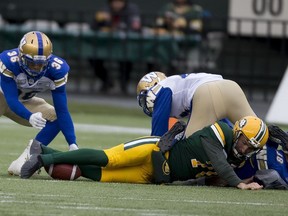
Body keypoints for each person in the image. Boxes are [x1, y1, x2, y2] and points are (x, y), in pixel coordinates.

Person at [21, 116, 269, 190]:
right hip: (155, 150)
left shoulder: (236, 157)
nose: (245, 148)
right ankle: (44, 159)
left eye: (251, 147)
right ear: (237, 132)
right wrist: (239, 183)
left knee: (100, 176)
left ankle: (41, 149)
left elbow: (210, 175)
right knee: (108, 158)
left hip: (153, 175)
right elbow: (217, 159)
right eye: (245, 142)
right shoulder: (222, 131)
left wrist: (229, 181)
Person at [0, 31, 78, 176]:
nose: (36, 68)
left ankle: (28, 156)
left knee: (55, 116)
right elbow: (10, 99)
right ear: (21, 57)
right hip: (3, 99)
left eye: (41, 64)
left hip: (24, 102)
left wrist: (72, 142)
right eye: (32, 63)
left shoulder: (57, 70)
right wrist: (29, 116)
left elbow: (62, 111)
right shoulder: (9, 61)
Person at [136, 71, 256, 137]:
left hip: (205, 92)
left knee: (190, 147)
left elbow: (158, 136)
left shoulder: (162, 89)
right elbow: (218, 114)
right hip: (230, 86)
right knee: (257, 132)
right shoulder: (177, 84)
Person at [89, 0, 141, 93]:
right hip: (106, 44)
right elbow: (93, 27)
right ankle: (107, 81)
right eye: (114, 2)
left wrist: (117, 27)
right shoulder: (105, 9)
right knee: (93, 57)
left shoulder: (131, 10)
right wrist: (99, 20)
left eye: (119, 2)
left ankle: (123, 84)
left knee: (126, 60)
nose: (117, 4)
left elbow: (135, 27)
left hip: (125, 44)